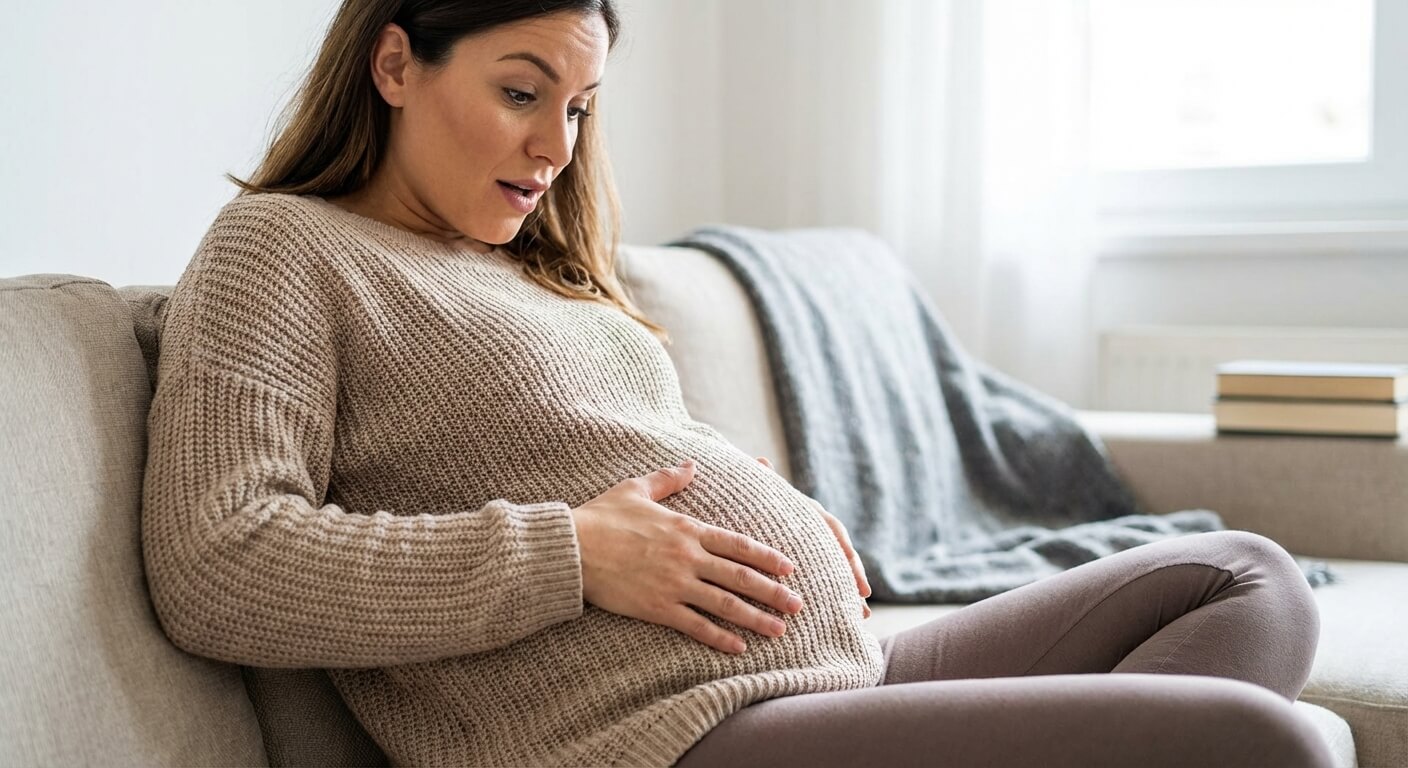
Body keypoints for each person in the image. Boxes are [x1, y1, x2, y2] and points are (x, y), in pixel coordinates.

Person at [139, 1, 1334, 766]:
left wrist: (755, 490)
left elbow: (600, 442)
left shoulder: (534, 268)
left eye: (577, 107)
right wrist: (574, 552)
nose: (555, 148)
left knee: (1251, 582)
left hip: (831, 665)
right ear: (396, 62)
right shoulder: (286, 248)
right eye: (520, 91)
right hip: (671, 734)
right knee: (1256, 744)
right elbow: (220, 560)